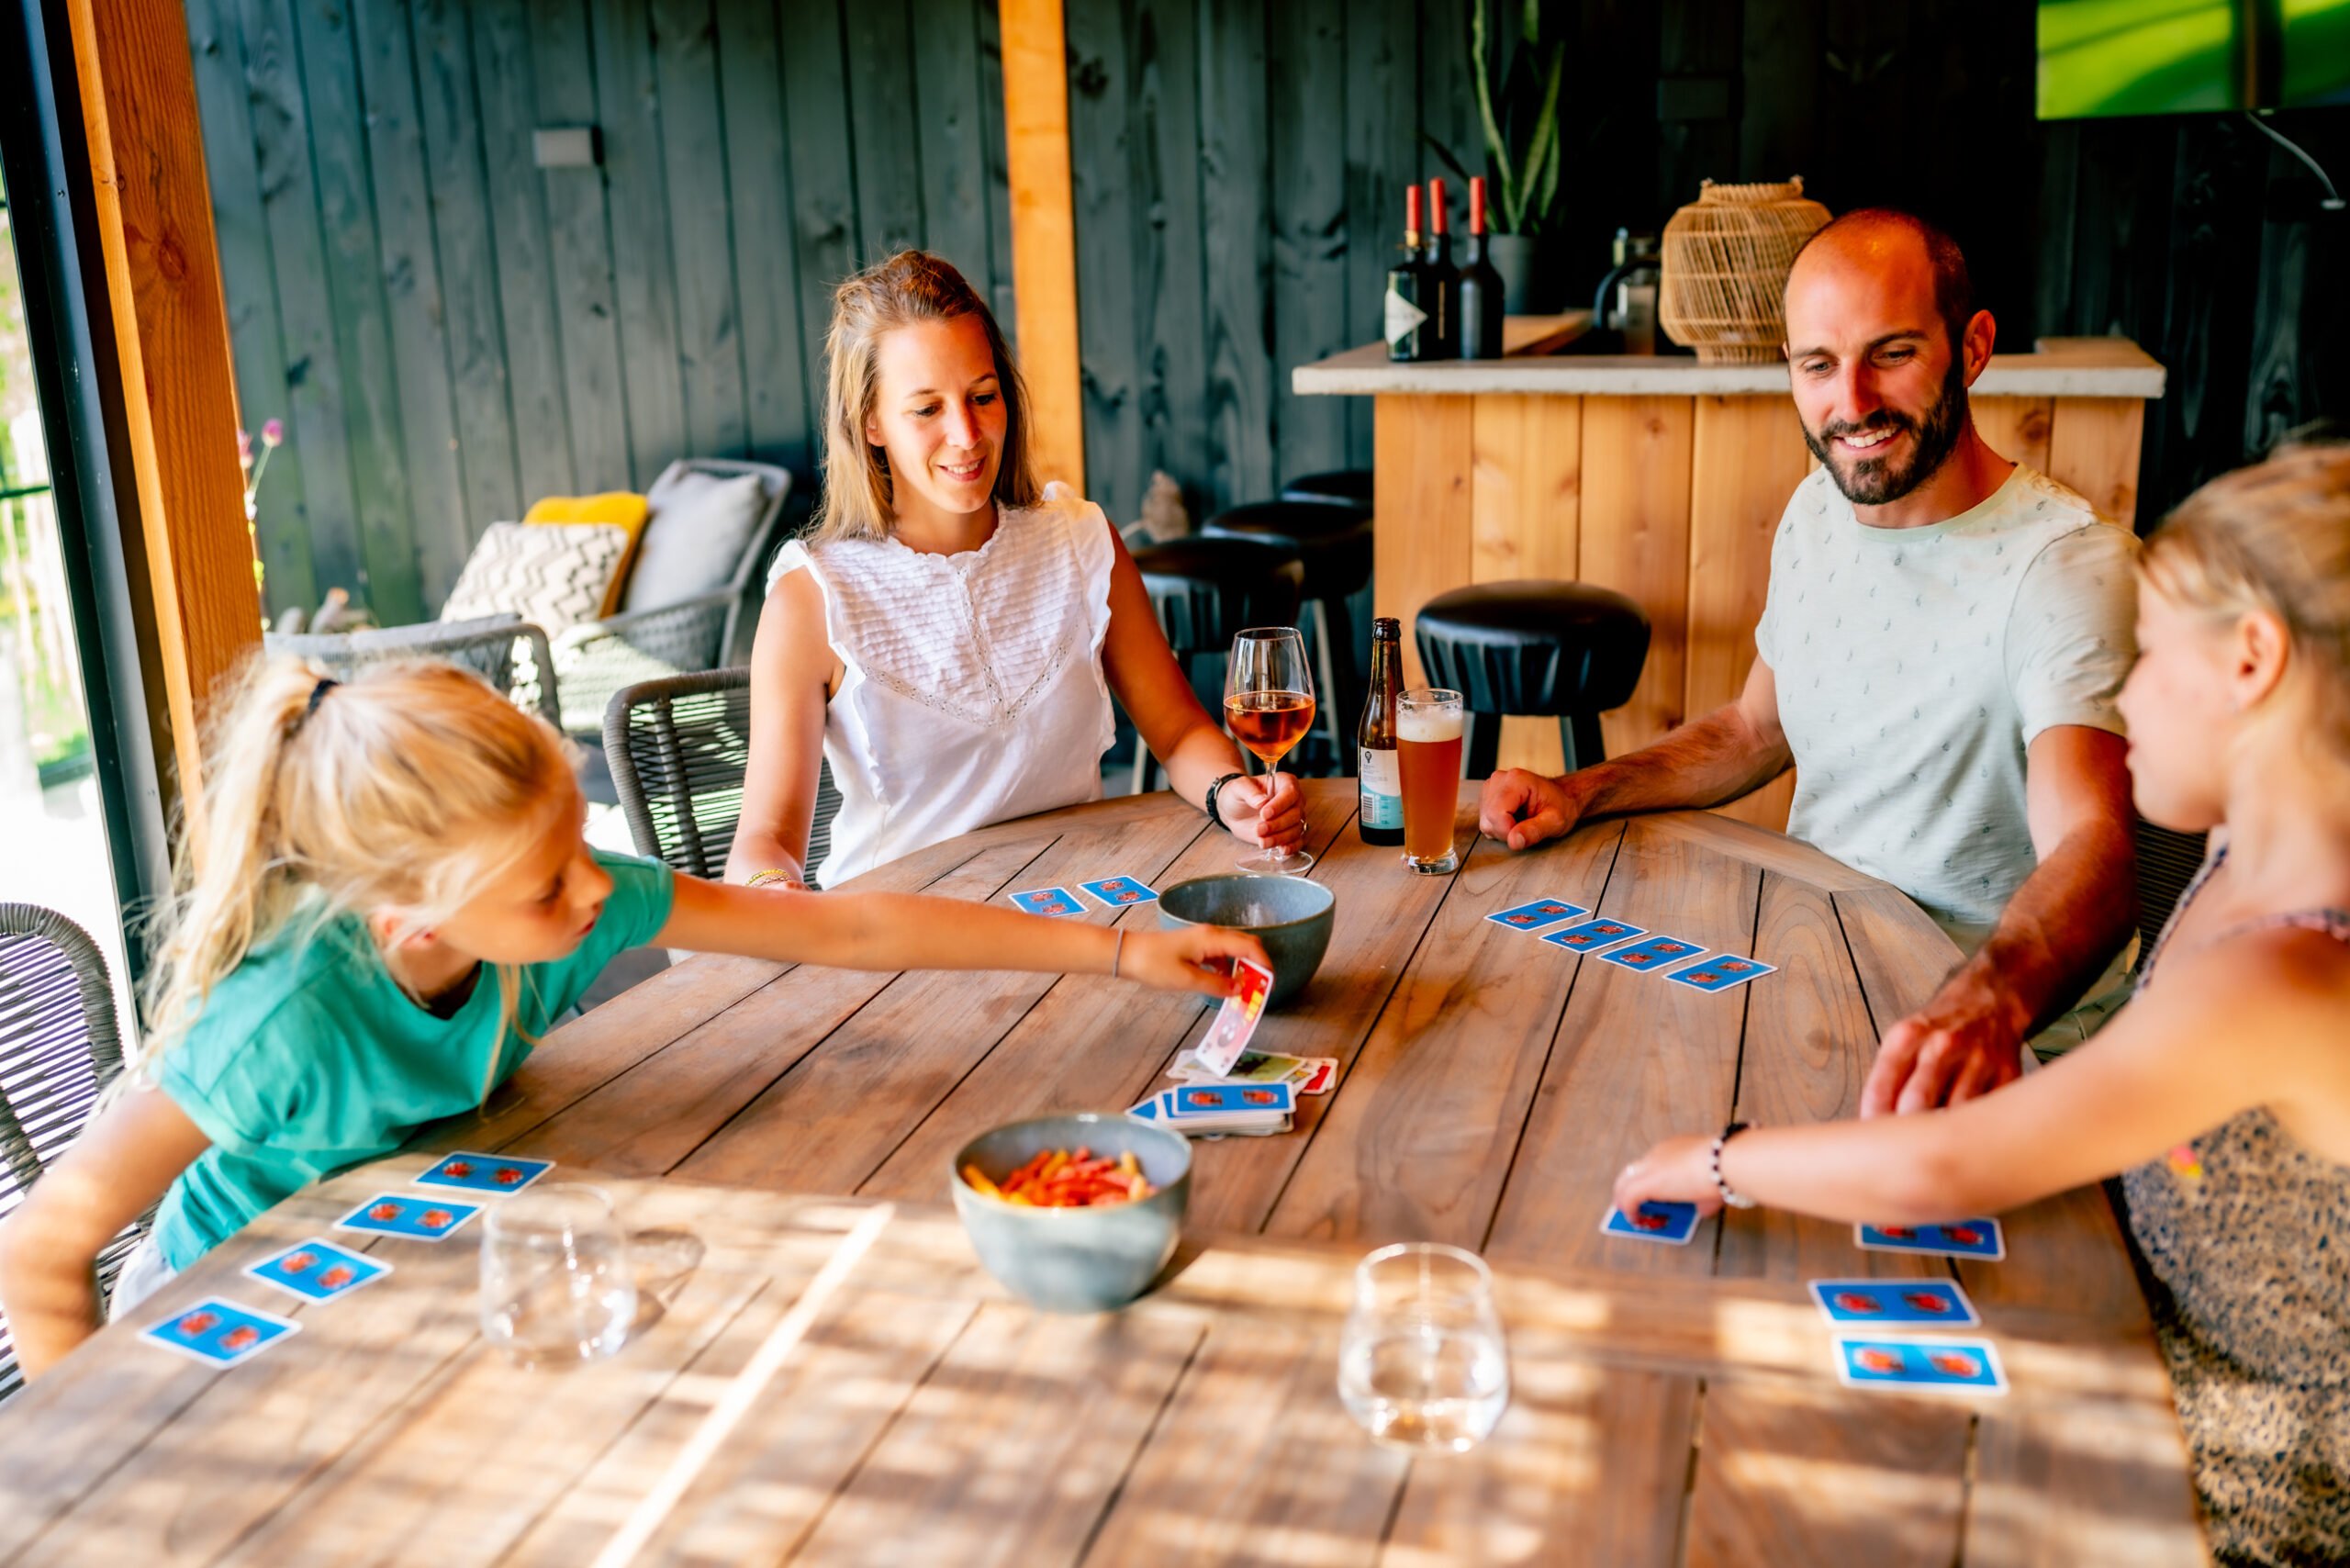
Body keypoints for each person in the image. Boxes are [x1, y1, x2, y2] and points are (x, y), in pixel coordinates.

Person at [0, 657, 1268, 1380]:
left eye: (579, 845)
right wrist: (92, 1456)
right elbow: (42, 1250)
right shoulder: (280, 1023)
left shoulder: (576, 905)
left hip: (405, 1267)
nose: (599, 891)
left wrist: (1124, 952)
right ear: (414, 918)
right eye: (549, 883)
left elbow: (851, 929)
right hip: (225, 1308)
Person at [1612, 445, 2350, 1567]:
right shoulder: (2245, 857)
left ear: (2252, 659)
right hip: (2132, 1325)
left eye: (2146, 656)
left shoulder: (2287, 970)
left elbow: (1937, 1174)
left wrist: (1715, 1159)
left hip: (2224, 1488)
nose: (2121, 693)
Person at [1481, 208, 2140, 1114]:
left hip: (1984, 1050)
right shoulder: (1816, 514)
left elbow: (2093, 849)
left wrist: (1980, 1007)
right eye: (1817, 365)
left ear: (1974, 345)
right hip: (1815, 978)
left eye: (1893, 353)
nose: (1853, 402)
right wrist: (1580, 789)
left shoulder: (2065, 565)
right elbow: (1753, 729)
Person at [728, 251, 1303, 891]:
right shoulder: (812, 597)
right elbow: (767, 839)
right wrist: (771, 888)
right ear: (870, 423)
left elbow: (1179, 732)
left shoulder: (1081, 540)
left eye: (982, 395)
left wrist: (1230, 795)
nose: (967, 434)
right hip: (899, 941)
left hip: (1081, 912)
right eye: (926, 409)